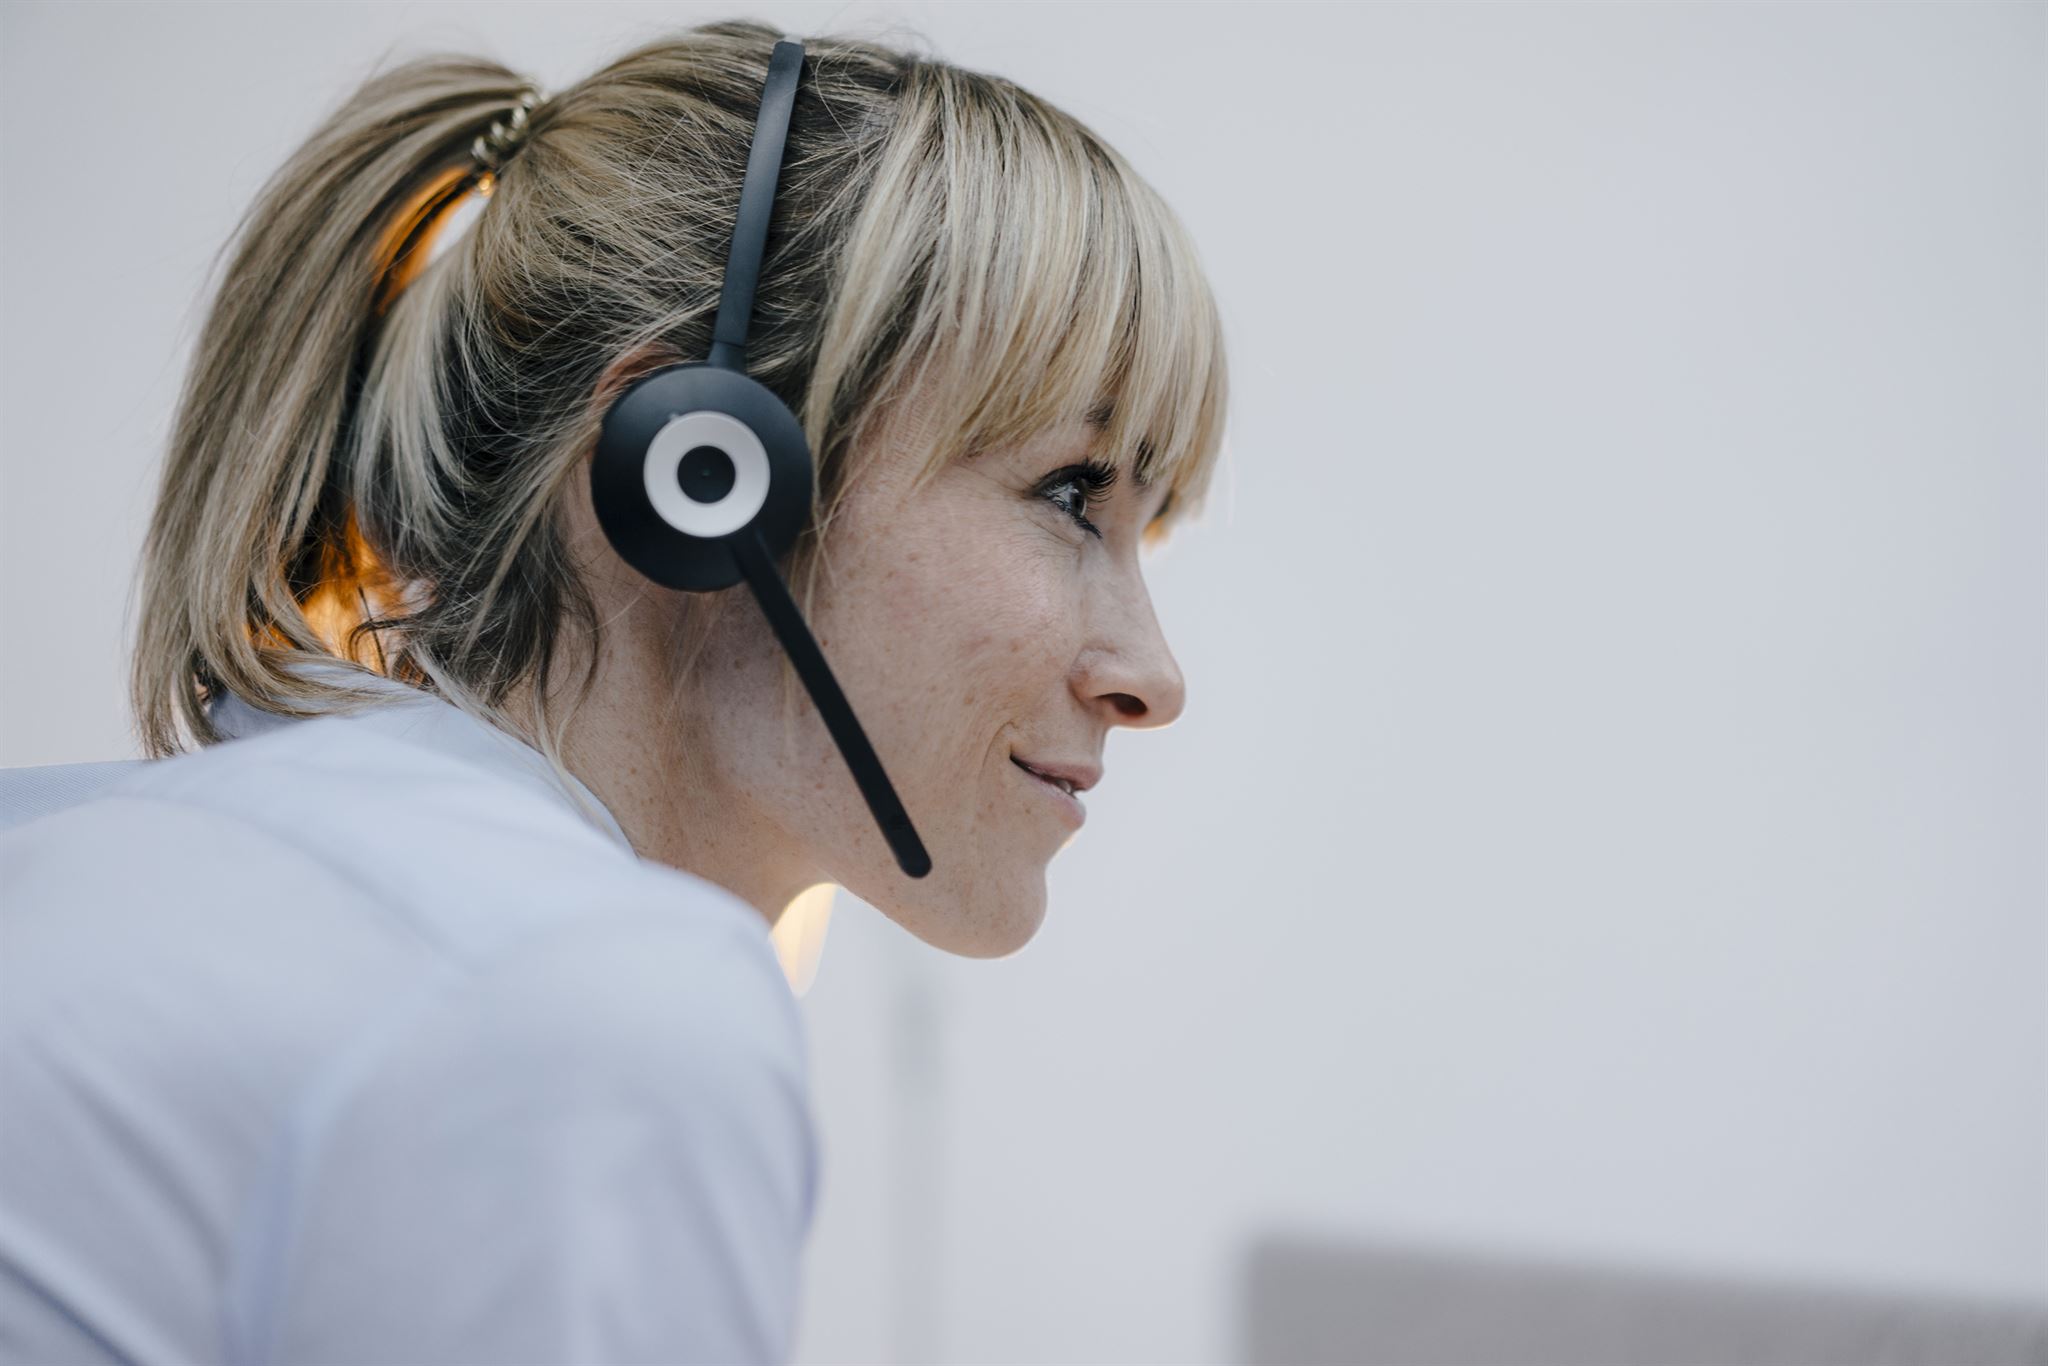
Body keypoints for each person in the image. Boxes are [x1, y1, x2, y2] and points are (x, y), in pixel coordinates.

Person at [0, 16, 1226, 1364]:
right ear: (700, 468)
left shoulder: (74, 847)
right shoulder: (585, 992)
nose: (1153, 678)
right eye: (1070, 494)